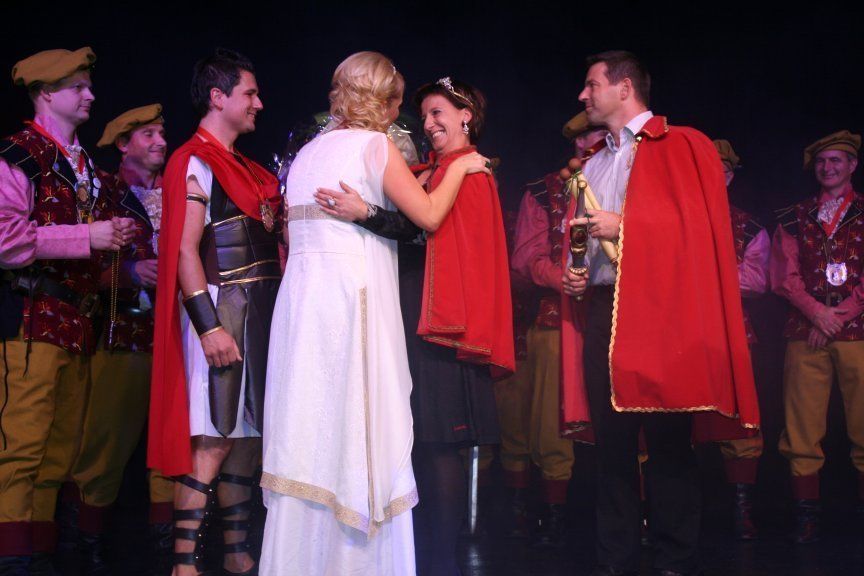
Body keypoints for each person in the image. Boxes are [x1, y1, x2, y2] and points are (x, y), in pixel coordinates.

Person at [560, 51, 759, 576]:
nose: (583, 95)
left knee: (669, 443)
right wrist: (576, 273)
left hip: (662, 311)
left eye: (592, 85)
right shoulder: (594, 163)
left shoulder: (683, 144)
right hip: (606, 308)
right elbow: (585, 237)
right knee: (612, 447)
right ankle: (616, 561)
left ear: (624, 88)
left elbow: (699, 229)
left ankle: (675, 560)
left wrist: (623, 225)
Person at [313, 74, 514, 575]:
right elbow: (414, 224)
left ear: (466, 116)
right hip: (413, 320)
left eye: (437, 113)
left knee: (440, 446)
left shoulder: (472, 173)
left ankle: (441, 562)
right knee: (419, 445)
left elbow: (426, 233)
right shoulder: (434, 171)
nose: (428, 124)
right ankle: (416, 557)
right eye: (424, 115)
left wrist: (366, 213)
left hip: (441, 329)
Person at [0, 47, 135, 574]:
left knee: (60, 451)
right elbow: (6, 240)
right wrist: (88, 236)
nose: (90, 95)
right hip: (32, 316)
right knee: (21, 446)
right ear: (45, 93)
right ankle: (13, 559)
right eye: (77, 86)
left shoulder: (88, 171)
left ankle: (38, 553)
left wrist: (114, 243)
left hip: (78, 322)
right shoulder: (19, 154)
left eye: (88, 85)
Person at [148, 48, 282, 576]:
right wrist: (209, 328)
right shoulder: (195, 161)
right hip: (220, 311)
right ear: (218, 96)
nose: (258, 103)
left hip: (257, 317)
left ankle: (235, 551)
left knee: (245, 442)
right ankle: (184, 564)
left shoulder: (246, 168)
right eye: (250, 93)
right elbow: (185, 252)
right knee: (211, 440)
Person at [55, 104, 175, 575]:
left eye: (162, 133)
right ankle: (83, 542)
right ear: (124, 144)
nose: (160, 142)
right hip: (123, 332)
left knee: (172, 443)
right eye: (148, 135)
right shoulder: (103, 190)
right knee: (104, 441)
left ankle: (169, 545)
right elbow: (80, 264)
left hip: (176, 335)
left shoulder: (180, 191)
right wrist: (129, 273)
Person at [504, 111, 606, 546]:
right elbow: (525, 257)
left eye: (601, 137)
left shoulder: (626, 186)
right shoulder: (542, 192)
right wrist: (559, 277)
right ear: (576, 144)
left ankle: (627, 514)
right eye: (587, 139)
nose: (593, 145)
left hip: (611, 316)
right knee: (550, 420)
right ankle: (550, 514)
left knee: (623, 418)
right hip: (555, 318)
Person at [770, 130, 864, 544]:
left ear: (852, 165)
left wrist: (837, 317)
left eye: (836, 161)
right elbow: (783, 276)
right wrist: (816, 314)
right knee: (801, 427)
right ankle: (806, 519)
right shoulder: (794, 216)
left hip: (857, 331)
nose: (828, 168)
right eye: (822, 162)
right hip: (805, 330)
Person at [712, 139, 770, 540]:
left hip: (732, 334)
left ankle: (741, 510)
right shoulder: (673, 218)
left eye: (718, 171)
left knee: (740, 420)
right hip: (680, 333)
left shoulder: (748, 226)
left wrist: (707, 272)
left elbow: (756, 279)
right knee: (668, 421)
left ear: (729, 177)